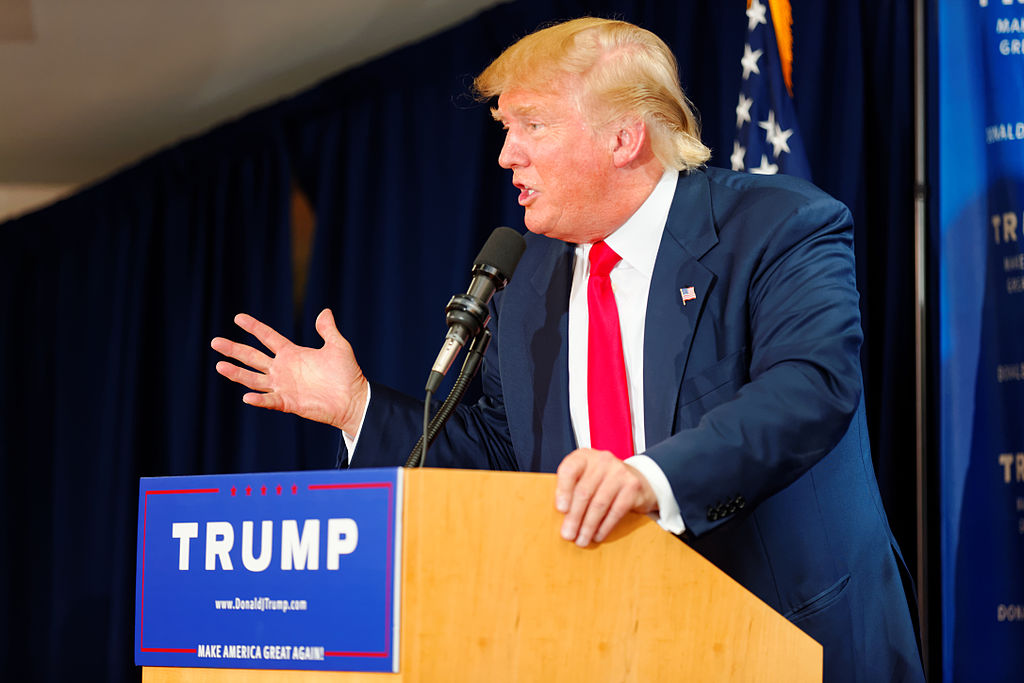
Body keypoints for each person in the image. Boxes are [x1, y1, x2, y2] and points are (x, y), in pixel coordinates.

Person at [212, 17, 923, 681]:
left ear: (624, 138)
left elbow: (807, 389)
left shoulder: (778, 226)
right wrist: (357, 406)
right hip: (614, 645)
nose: (505, 153)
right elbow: (498, 452)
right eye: (505, 126)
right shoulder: (527, 286)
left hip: (794, 640)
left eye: (532, 125)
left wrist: (651, 478)